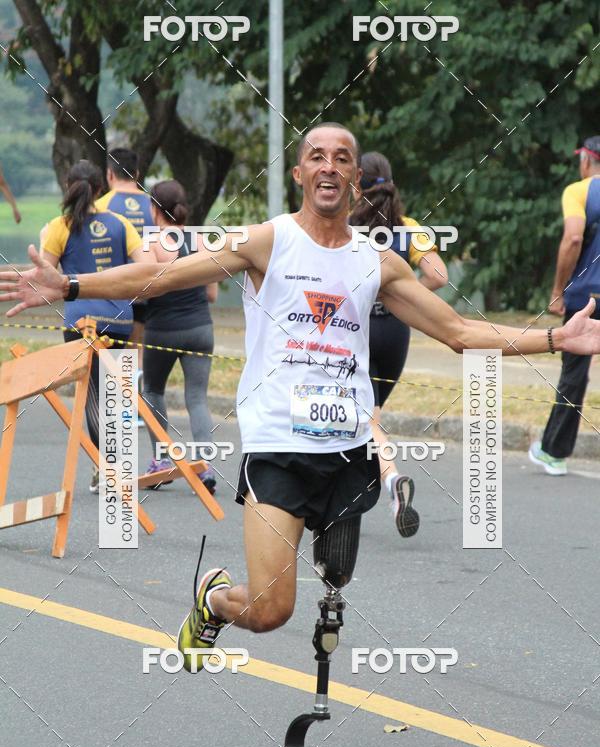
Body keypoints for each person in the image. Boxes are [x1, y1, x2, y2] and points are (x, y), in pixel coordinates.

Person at [3, 123, 600, 674]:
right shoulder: (270, 242)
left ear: (354, 180)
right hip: (276, 448)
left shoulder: (377, 262)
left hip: (347, 451)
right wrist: (71, 285)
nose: (330, 167)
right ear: (299, 174)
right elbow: (161, 277)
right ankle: (211, 600)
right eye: (317, 156)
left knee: (336, 578)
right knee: (270, 610)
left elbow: (461, 332)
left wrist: (556, 338)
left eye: (343, 158)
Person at [349, 151, 448, 537]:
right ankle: (363, 489)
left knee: (367, 419)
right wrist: (403, 297)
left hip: (358, 332)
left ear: (357, 184)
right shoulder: (409, 229)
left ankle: (392, 483)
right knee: (367, 417)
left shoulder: (345, 228)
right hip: (397, 335)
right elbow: (438, 276)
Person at [39, 159, 146, 491]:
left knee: (94, 397)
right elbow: (146, 268)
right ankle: (120, 467)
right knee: (117, 391)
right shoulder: (121, 224)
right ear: (102, 188)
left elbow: (44, 281)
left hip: (81, 321)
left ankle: (107, 469)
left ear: (67, 186)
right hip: (120, 321)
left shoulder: (60, 226)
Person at [142, 180, 219, 494]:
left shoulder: (152, 242)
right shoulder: (201, 240)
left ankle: (161, 462)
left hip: (162, 330)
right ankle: (205, 465)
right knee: (197, 398)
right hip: (201, 329)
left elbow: (144, 290)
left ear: (154, 209)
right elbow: (212, 293)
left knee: (153, 391)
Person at [529, 136, 600, 476]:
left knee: (574, 374)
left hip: (587, 297)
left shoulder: (579, 191)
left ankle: (553, 452)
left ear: (586, 160)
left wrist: (558, 290)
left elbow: (573, 237)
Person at [96, 148, 154, 349]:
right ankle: (132, 380)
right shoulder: (154, 206)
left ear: (109, 174)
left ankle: (113, 380)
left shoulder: (100, 206)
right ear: (137, 174)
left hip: (111, 297)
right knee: (134, 357)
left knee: (109, 362)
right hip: (147, 294)